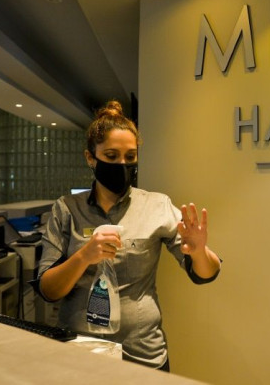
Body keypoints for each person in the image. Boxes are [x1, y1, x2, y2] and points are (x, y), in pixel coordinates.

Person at [38, 100, 222, 371]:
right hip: (80, 353)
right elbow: (48, 290)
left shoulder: (157, 206)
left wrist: (198, 251)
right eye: (111, 156)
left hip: (143, 354)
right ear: (91, 158)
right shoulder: (66, 209)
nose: (122, 164)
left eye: (130, 157)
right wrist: (84, 256)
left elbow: (205, 274)